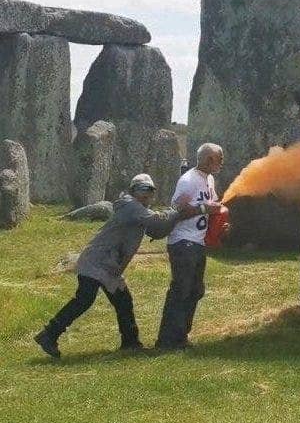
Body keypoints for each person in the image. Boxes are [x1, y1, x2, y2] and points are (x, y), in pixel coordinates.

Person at [33, 174, 213, 359]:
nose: (147, 195)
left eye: (150, 191)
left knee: (123, 301)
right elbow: (157, 221)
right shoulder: (130, 205)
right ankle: (49, 334)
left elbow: (158, 230)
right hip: (97, 261)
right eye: (143, 190)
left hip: (109, 265)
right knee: (84, 300)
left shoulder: (140, 211)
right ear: (133, 191)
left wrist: (177, 214)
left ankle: (130, 343)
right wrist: (189, 210)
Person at [155, 142, 224, 351]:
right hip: (183, 242)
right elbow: (177, 210)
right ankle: (166, 341)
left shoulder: (209, 179)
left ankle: (181, 336)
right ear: (209, 159)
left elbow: (211, 209)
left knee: (195, 290)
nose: (222, 163)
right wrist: (205, 207)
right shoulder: (188, 181)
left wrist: (219, 224)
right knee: (181, 290)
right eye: (219, 159)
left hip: (198, 242)